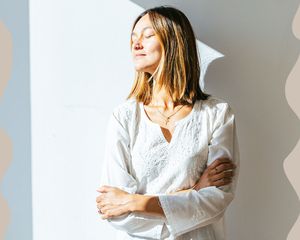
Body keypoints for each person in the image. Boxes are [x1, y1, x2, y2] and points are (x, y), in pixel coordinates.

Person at [96, 6, 239, 240]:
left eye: (147, 35)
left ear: (174, 42)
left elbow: (217, 199)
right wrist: (193, 192)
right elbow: (116, 212)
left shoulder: (216, 113)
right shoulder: (124, 117)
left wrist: (134, 201)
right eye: (133, 37)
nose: (136, 44)